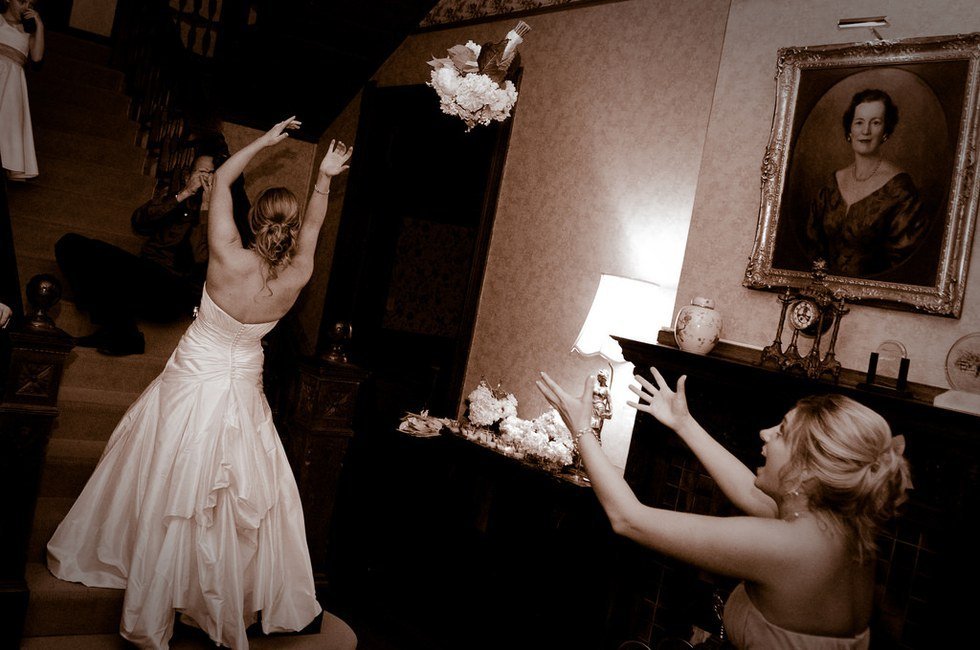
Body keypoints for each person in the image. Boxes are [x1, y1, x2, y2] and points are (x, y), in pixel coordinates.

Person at [46, 117, 354, 649]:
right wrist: (324, 178)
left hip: (194, 374)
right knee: (234, 487)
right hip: (243, 382)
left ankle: (157, 578)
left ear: (253, 221)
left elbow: (225, 178)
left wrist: (264, 141)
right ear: (288, 228)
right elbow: (313, 229)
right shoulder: (298, 273)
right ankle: (220, 589)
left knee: (171, 471)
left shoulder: (226, 254)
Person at [538, 368, 911, 649]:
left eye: (781, 432)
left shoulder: (786, 545)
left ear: (807, 472)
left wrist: (582, 430)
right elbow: (749, 492)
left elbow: (629, 519)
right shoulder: (839, 526)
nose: (765, 433)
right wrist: (684, 423)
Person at [55, 135, 252, 355]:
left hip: (173, 291)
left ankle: (120, 330)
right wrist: (184, 193)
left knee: (118, 273)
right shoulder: (176, 198)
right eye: (200, 172)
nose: (205, 179)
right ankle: (121, 330)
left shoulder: (222, 219)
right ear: (188, 175)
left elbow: (200, 257)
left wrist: (207, 206)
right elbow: (139, 222)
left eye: (211, 175)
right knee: (69, 244)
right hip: (142, 273)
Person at [805, 88, 928, 279]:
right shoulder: (831, 184)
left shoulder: (901, 190)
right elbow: (813, 245)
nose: (866, 131)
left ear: (886, 131)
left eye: (875, 123)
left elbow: (903, 264)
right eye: (859, 122)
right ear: (850, 130)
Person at [0, 0, 43, 180]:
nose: (25, 7)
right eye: (22, 1)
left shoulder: (27, 34)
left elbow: (37, 56)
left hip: (13, 84)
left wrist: (39, 25)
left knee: (10, 120)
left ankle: (11, 162)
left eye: (30, 3)